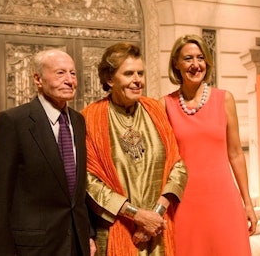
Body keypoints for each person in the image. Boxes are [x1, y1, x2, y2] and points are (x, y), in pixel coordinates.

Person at [0, 49, 97, 256]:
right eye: (60, 73)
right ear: (38, 79)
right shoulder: (13, 122)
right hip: (33, 248)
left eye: (73, 73)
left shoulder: (78, 121)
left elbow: (77, 192)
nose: (69, 80)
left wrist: (86, 233)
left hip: (76, 245)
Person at [81, 42, 188, 256]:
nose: (137, 80)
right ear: (110, 79)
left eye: (140, 73)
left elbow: (177, 166)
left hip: (158, 230)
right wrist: (136, 216)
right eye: (129, 73)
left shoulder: (155, 110)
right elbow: (88, 181)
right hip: (116, 229)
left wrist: (155, 215)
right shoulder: (90, 118)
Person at [159, 34, 258, 256]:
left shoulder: (225, 99)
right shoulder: (165, 104)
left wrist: (248, 203)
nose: (196, 65)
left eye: (200, 58)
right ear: (176, 63)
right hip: (184, 204)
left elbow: (236, 155)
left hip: (224, 201)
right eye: (188, 59)